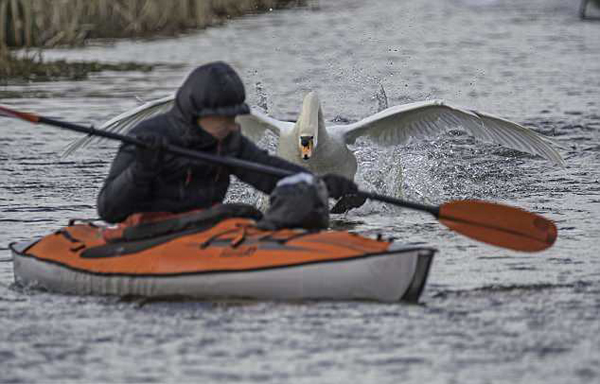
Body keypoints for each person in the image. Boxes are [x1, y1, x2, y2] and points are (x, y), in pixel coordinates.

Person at [97, 62, 358, 224]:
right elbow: (109, 210)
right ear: (200, 113)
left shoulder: (228, 143)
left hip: (200, 229)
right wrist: (141, 170)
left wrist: (319, 185)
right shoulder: (149, 138)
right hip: (148, 236)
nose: (235, 125)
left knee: (249, 214)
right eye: (227, 118)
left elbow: (269, 173)